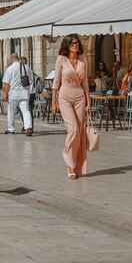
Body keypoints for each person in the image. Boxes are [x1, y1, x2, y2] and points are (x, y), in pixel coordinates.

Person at [51, 34, 91, 179]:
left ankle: (76, 166)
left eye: (77, 43)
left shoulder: (82, 59)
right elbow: (56, 81)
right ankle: (69, 163)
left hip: (80, 96)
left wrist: (88, 101)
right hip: (65, 96)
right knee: (73, 128)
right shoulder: (61, 59)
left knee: (79, 132)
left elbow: (85, 81)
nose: (75, 45)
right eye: (72, 43)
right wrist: (53, 101)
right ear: (67, 45)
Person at [2, 53, 36, 136]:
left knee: (11, 112)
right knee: (26, 111)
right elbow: (31, 80)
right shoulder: (26, 67)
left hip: (13, 94)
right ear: (18, 58)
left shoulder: (10, 69)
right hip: (24, 93)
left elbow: (7, 84)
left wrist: (5, 94)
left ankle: (11, 129)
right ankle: (28, 127)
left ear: (12, 58)